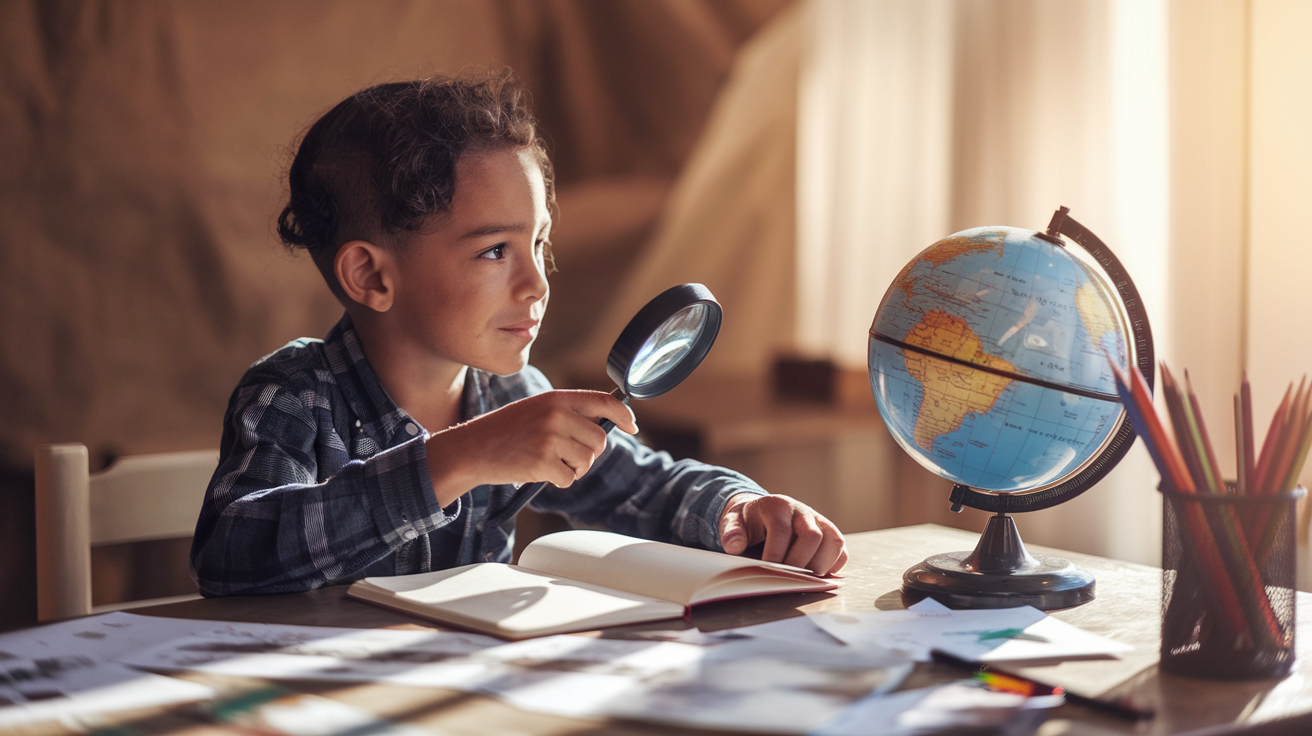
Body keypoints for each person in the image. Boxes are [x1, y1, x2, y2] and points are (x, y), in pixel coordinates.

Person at [190, 71, 847, 596]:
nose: (537, 285)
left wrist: (738, 510)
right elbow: (234, 555)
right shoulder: (293, 395)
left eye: (538, 243)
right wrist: (466, 456)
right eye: (494, 251)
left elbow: (643, 487)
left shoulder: (509, 395)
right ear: (371, 275)